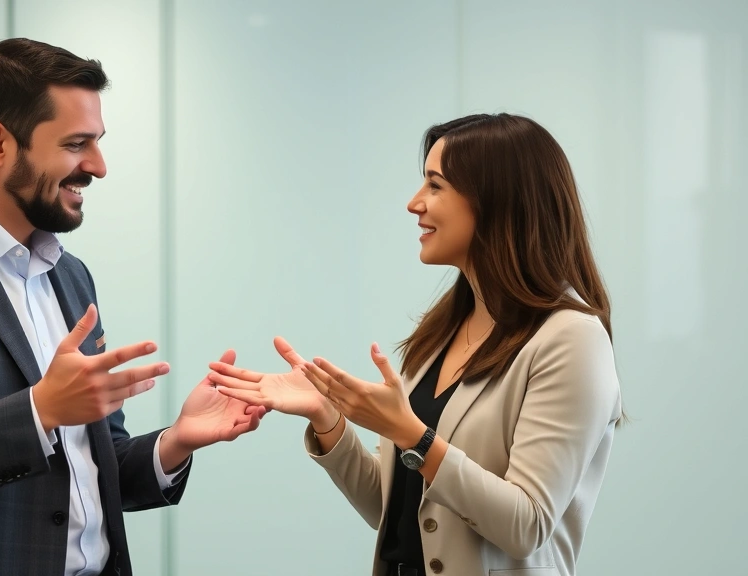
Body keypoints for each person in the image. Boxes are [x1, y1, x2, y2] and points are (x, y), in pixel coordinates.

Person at [0, 37, 265, 576]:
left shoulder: (71, 276)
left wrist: (175, 442)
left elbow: (88, 471)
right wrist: (40, 411)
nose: (99, 166)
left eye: (98, 142)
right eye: (77, 143)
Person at [207, 113, 623, 576]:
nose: (413, 203)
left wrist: (413, 435)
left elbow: (525, 525)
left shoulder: (571, 338)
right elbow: (393, 511)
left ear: (496, 199)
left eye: (435, 185)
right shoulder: (441, 330)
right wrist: (327, 417)